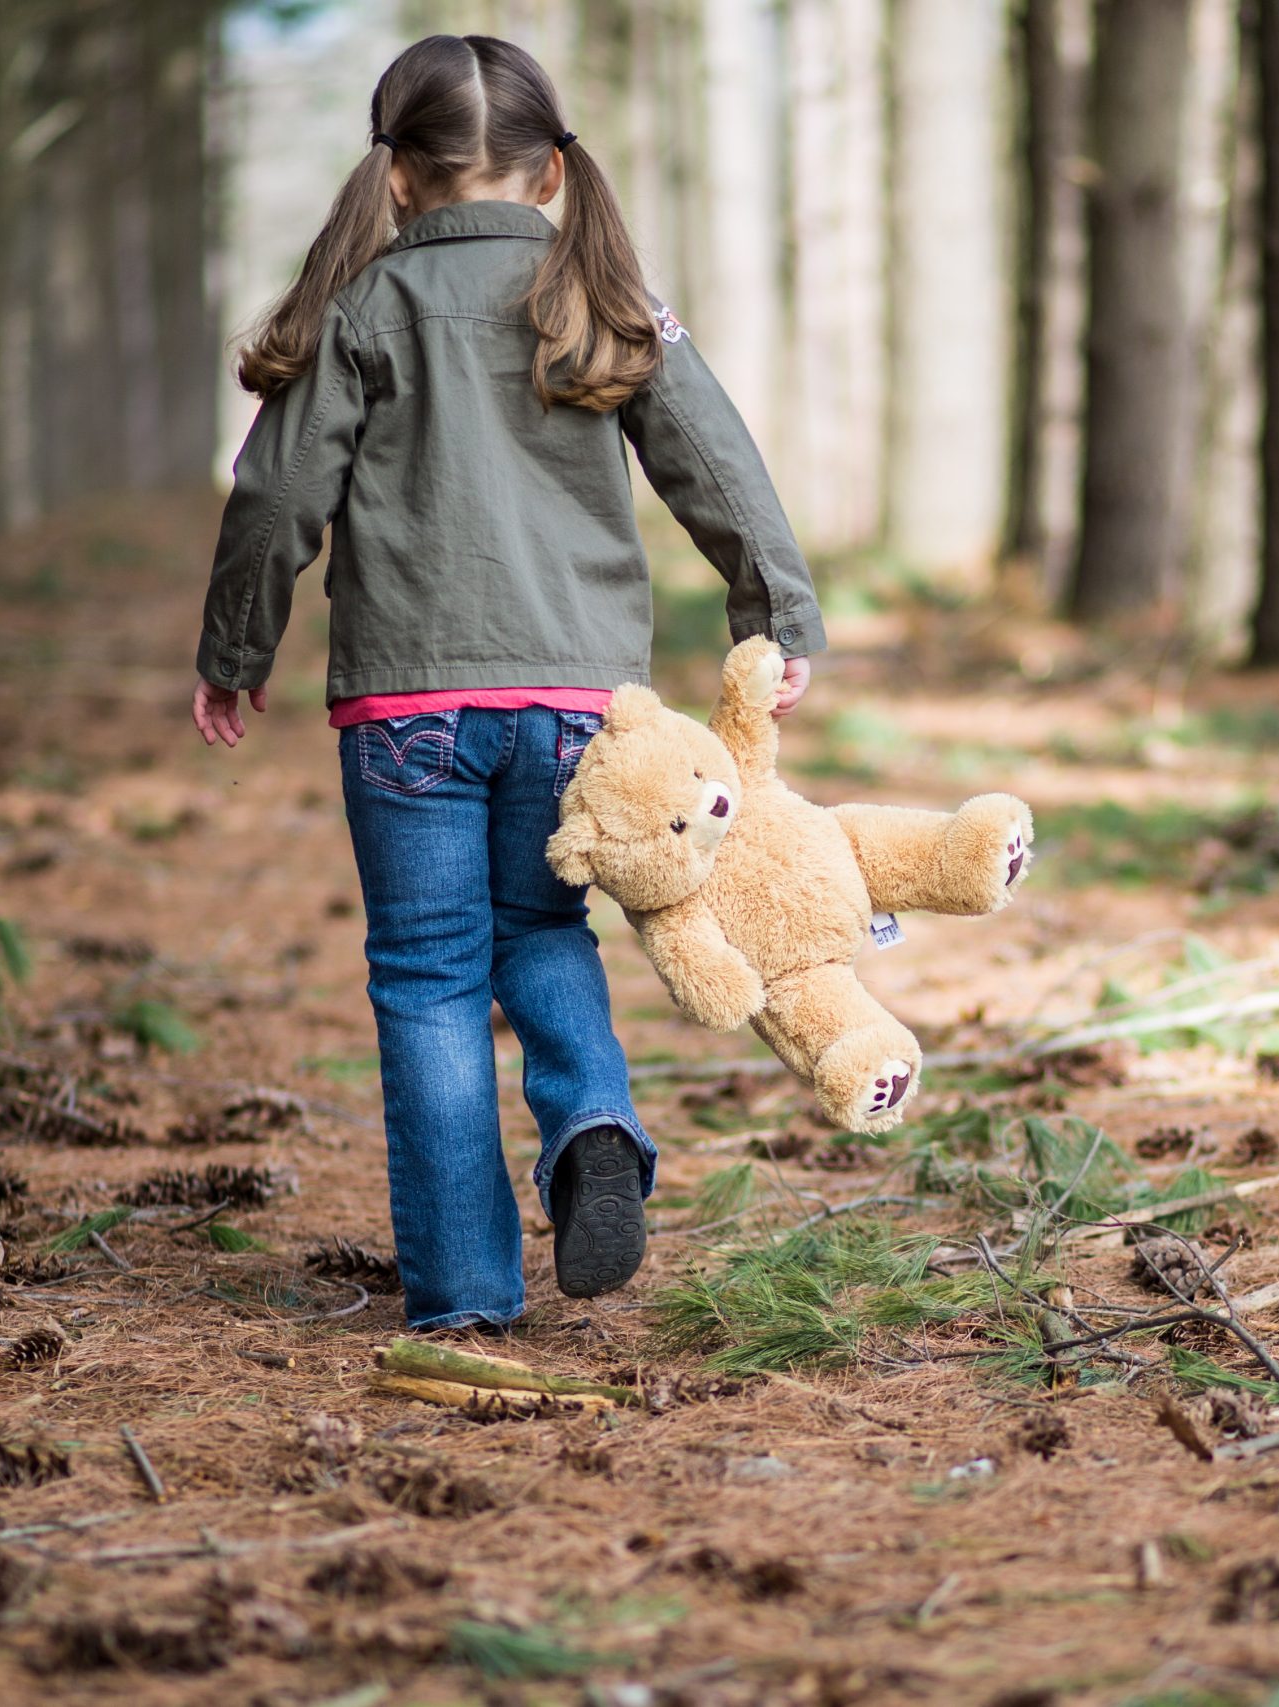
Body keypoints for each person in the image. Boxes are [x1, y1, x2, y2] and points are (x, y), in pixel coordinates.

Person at [190, 33, 823, 1332]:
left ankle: (466, 1297)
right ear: (546, 175)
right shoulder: (602, 296)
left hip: (406, 710)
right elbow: (716, 460)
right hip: (583, 715)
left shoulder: (364, 307)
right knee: (545, 933)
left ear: (402, 180)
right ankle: (592, 1120)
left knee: (427, 977)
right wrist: (774, 609)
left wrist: (236, 653)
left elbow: (272, 500)